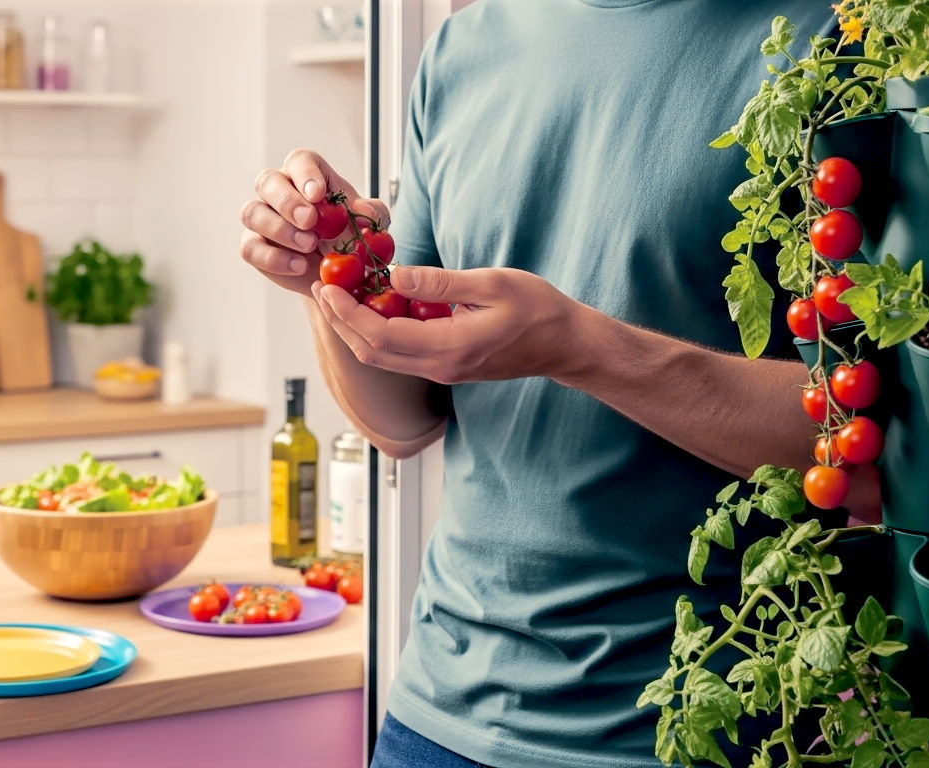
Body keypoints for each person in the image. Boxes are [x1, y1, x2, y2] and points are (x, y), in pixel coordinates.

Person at [239, 2, 877, 767]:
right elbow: (403, 422)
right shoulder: (466, 45)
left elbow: (879, 468)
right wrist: (328, 278)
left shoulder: (842, 43)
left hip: (702, 731)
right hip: (435, 719)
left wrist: (580, 348)